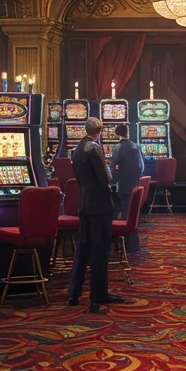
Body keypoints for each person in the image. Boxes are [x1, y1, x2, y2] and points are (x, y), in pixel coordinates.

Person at [68, 117, 123, 313]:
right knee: (100, 251)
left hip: (84, 203)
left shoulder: (77, 148)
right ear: (99, 131)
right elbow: (104, 178)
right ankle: (98, 296)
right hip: (99, 205)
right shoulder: (94, 148)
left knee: (83, 249)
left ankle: (73, 294)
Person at [111, 123, 144, 253]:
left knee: (121, 213)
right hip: (134, 184)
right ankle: (133, 246)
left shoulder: (117, 147)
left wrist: (113, 181)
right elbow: (141, 167)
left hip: (122, 185)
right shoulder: (136, 146)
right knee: (131, 215)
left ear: (116, 134)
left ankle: (121, 246)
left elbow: (114, 167)